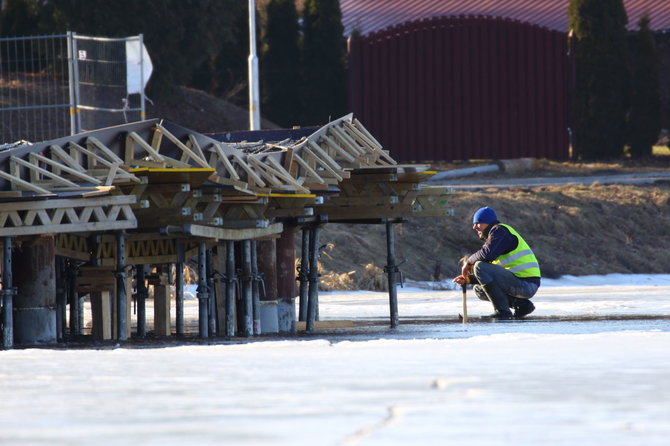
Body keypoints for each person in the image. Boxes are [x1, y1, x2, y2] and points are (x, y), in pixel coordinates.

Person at [453, 206, 540, 320]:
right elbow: (492, 275)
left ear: (487, 222)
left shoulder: (500, 231)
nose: (474, 227)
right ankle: (521, 304)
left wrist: (469, 262)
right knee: (479, 290)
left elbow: (486, 255)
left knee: (479, 266)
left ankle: (502, 311)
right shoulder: (495, 240)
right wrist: (468, 280)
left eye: (477, 223)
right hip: (519, 283)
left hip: (525, 283)